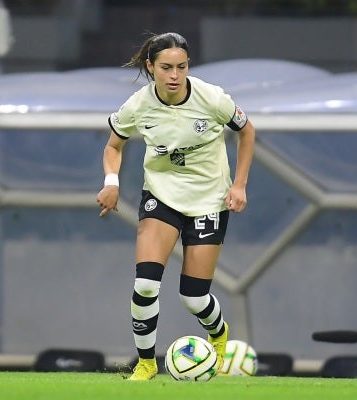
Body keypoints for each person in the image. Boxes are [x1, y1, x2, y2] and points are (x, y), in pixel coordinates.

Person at [96, 32, 255, 381]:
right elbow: (113, 146)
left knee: (194, 298)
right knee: (146, 284)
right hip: (162, 197)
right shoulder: (138, 105)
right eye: (166, 67)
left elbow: (247, 131)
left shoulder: (212, 98)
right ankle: (147, 363)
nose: (174, 75)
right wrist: (111, 182)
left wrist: (239, 184)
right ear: (150, 67)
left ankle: (218, 334)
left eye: (181, 67)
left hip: (209, 200)